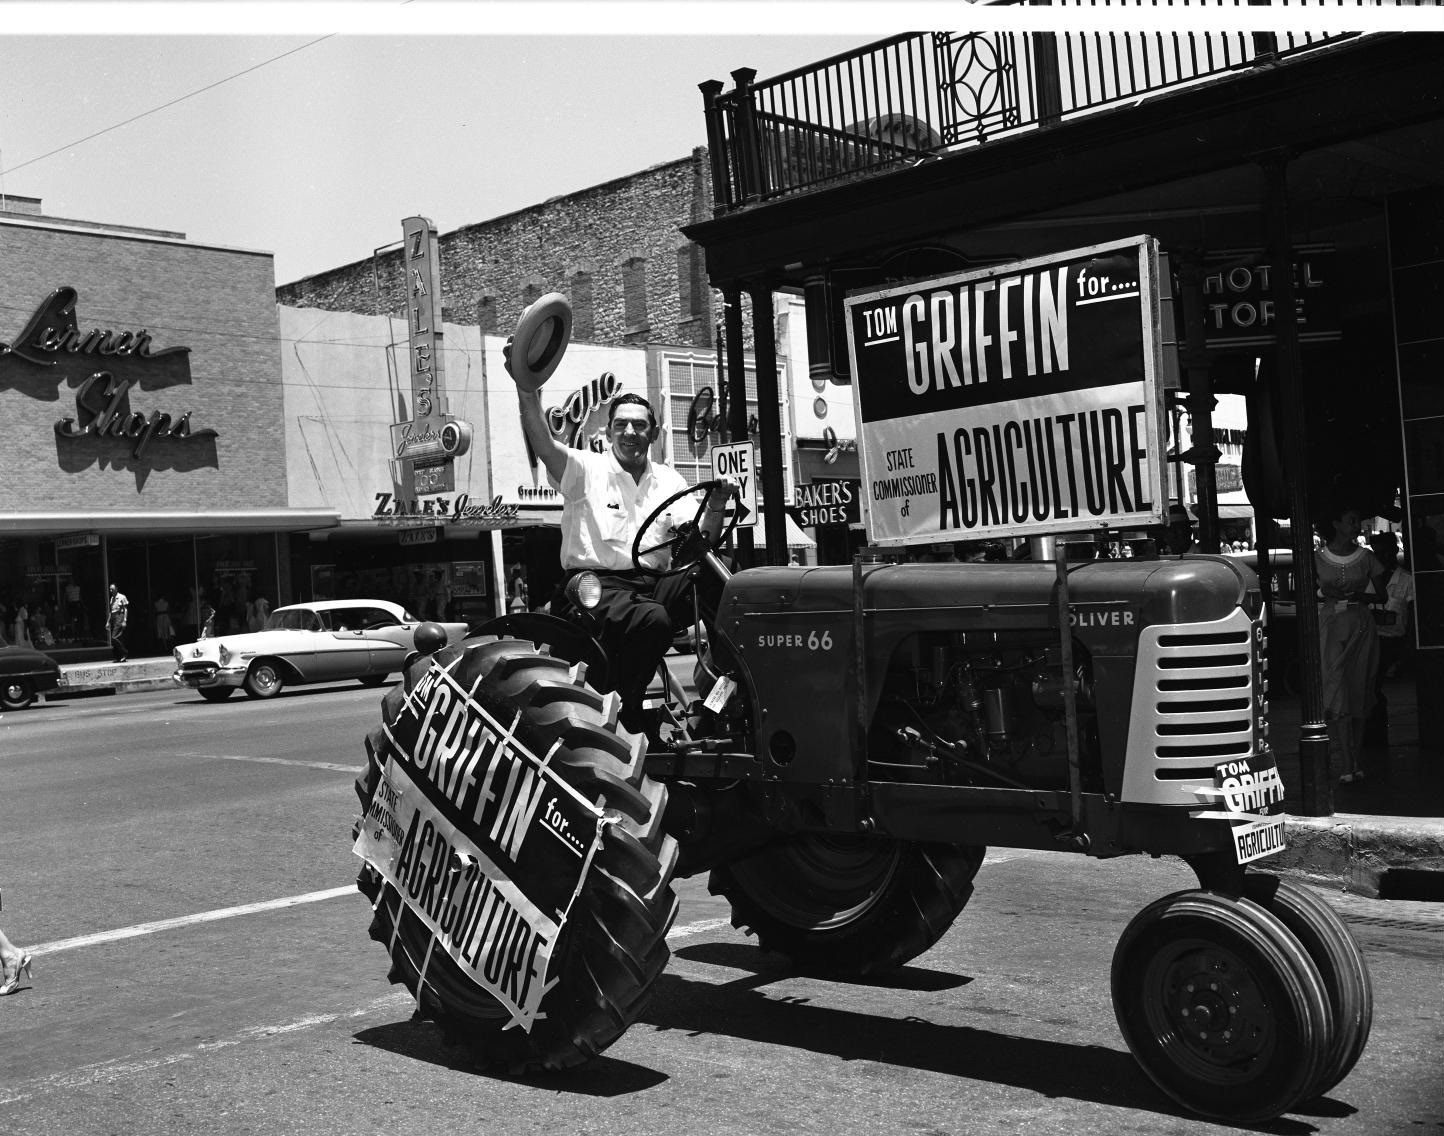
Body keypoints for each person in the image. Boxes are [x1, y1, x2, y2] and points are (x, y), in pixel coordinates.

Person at [514, 376, 693, 735]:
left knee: (724, 582)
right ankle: (626, 712)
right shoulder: (585, 469)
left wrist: (717, 504)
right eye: (621, 425)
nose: (630, 432)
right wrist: (526, 389)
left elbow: (698, 539)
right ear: (609, 433)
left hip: (648, 585)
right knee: (652, 619)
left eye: (639, 425)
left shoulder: (670, 481)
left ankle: (728, 692)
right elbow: (543, 443)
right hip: (594, 590)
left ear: (653, 434)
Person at [1314, 504, 1386, 786]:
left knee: (1359, 688)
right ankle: (1345, 760)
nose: (1357, 525)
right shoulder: (1318, 557)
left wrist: (1359, 594)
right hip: (1331, 624)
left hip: (1359, 625)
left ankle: (1353, 761)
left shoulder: (1366, 557)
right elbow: (1310, 590)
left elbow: (1381, 593)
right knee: (1336, 688)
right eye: (1352, 520)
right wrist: (1324, 591)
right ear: (1336, 523)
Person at [107, 583, 129, 662]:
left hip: (120, 616)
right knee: (117, 638)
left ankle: (124, 653)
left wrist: (124, 620)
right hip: (114, 617)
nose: (111, 591)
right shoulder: (112, 598)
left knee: (114, 637)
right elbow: (111, 611)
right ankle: (118, 656)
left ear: (116, 588)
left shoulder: (122, 597)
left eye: (112, 589)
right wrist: (108, 622)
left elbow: (125, 609)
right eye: (110, 589)